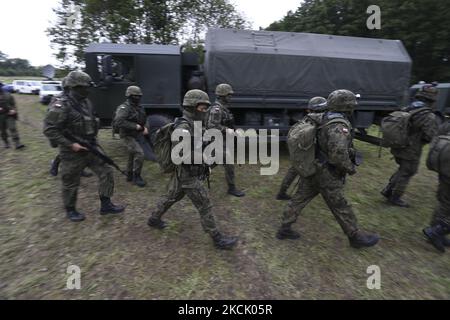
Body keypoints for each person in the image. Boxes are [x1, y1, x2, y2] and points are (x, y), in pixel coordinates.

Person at [276, 90, 379, 249]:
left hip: (313, 167)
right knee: (339, 204)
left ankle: (284, 228)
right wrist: (350, 168)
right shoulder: (338, 124)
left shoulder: (321, 116)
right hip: (327, 173)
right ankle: (355, 236)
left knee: (299, 198)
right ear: (346, 105)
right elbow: (338, 155)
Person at [147, 89, 238, 250]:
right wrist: (205, 158)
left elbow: (201, 136)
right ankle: (217, 238)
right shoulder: (183, 127)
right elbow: (181, 155)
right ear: (192, 107)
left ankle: (154, 218)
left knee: (171, 197)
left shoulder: (193, 123)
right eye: (202, 108)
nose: (204, 112)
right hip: (188, 174)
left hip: (184, 173)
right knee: (205, 204)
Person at [43, 71, 124, 222]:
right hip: (72, 151)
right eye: (85, 87)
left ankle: (106, 205)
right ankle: (70, 210)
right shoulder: (61, 105)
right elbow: (49, 129)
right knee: (71, 181)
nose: (88, 89)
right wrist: (71, 144)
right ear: (75, 87)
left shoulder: (86, 101)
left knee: (106, 171)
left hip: (90, 147)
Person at [381, 84, 439, 207]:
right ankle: (395, 197)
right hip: (411, 150)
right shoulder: (428, 115)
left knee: (402, 169)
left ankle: (388, 190)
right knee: (408, 172)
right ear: (432, 100)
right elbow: (429, 136)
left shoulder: (408, 108)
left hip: (398, 145)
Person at [277, 97, 328, 200]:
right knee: (309, 176)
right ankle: (298, 200)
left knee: (294, 170)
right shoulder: (323, 122)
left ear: (308, 109)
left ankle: (282, 192)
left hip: (300, 152)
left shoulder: (306, 119)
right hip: (311, 154)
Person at [206, 84, 245, 197]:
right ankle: (231, 188)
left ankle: (194, 175)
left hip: (222, 140)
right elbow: (212, 126)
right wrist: (227, 130)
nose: (230, 97)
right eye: (228, 95)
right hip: (217, 141)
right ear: (222, 95)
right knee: (227, 163)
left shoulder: (223, 108)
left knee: (213, 162)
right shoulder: (217, 109)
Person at [49, 77, 92, 178]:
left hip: (76, 130)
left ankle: (80, 169)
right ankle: (54, 165)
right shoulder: (59, 99)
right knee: (65, 151)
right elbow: (52, 117)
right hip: (63, 131)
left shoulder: (76, 98)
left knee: (80, 150)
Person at [423, 119, 450, 252]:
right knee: (446, 202)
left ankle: (436, 232)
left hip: (445, 166)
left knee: (444, 202)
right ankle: (436, 231)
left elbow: (438, 136)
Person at [113, 86, 148, 187]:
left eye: (139, 96)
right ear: (129, 96)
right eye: (135, 96)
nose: (137, 98)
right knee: (140, 153)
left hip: (135, 134)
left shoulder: (139, 107)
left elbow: (143, 119)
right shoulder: (124, 108)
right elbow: (118, 121)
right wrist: (134, 126)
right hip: (126, 135)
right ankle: (136, 176)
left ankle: (129, 174)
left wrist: (144, 127)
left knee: (132, 154)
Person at [0, 82, 25, 149]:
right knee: (2, 130)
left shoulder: (8, 95)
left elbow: (13, 104)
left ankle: (17, 143)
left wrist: (14, 110)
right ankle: (6, 143)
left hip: (9, 115)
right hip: (0, 116)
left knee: (12, 128)